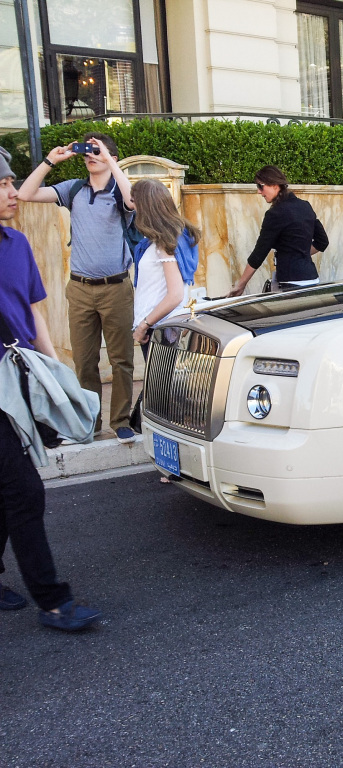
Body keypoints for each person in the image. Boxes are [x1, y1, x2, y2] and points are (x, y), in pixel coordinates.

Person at [0, 147, 102, 632]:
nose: (11, 192)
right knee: (23, 492)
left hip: (22, 382)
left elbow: (34, 311)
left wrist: (56, 375)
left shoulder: (16, 244)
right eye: (1, 186)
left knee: (8, 487)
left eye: (10, 183)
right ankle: (53, 600)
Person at [17, 132, 136, 444]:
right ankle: (89, 423)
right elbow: (26, 194)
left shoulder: (118, 190)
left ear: (111, 156)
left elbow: (133, 200)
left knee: (121, 359)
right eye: (88, 150)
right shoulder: (74, 190)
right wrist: (50, 161)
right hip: (81, 289)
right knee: (84, 362)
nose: (90, 155)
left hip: (117, 288)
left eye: (97, 151)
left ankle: (121, 420)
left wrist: (109, 159)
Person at [228, 166, 328, 296]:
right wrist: (299, 252)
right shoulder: (305, 206)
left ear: (275, 185)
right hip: (312, 280)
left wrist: (241, 285)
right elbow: (323, 242)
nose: (259, 192)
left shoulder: (275, 214)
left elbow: (259, 253)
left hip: (292, 284)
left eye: (260, 186)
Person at [130, 180, 201, 351]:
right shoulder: (166, 237)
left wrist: (143, 326)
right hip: (159, 326)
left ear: (146, 206)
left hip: (160, 328)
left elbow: (175, 295)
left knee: (160, 378)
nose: (132, 207)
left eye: (134, 202)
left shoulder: (165, 242)